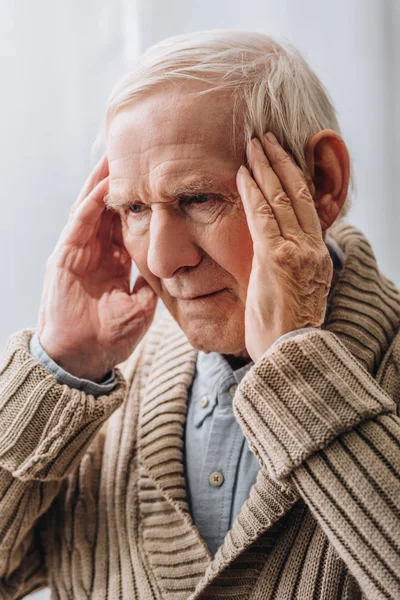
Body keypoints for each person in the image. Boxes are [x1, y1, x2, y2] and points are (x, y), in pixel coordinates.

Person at [0, 30, 399, 600]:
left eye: (198, 199)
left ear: (321, 182)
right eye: (134, 208)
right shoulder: (97, 392)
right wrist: (59, 367)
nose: (162, 260)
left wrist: (300, 374)